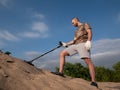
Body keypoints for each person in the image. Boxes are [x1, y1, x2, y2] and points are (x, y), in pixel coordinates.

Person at [52, 17, 98, 88]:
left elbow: (89, 32)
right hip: (76, 45)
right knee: (62, 53)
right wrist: (66, 44)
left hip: (83, 44)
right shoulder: (76, 31)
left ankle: (94, 81)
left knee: (87, 61)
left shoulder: (85, 24)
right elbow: (74, 41)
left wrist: (89, 41)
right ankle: (60, 72)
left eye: (73, 22)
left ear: (76, 20)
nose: (72, 24)